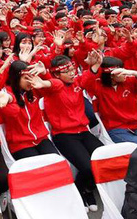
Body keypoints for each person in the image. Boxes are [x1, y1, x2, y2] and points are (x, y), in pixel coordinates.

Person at [40, 55, 103, 211]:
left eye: (72, 69)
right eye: (66, 71)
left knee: (103, 158)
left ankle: (86, 189)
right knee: (88, 167)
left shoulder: (76, 83)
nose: (71, 73)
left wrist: (95, 65)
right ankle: (81, 191)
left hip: (82, 130)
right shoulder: (52, 89)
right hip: (64, 134)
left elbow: (87, 76)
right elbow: (52, 84)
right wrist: (43, 76)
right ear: (56, 74)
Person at [0, 60, 58, 159]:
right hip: (20, 144)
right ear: (16, 78)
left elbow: (56, 88)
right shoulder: (5, 94)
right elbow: (11, 111)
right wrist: (8, 99)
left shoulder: (34, 89)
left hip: (41, 138)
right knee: (38, 170)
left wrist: (44, 75)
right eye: (26, 78)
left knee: (56, 163)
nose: (30, 81)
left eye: (32, 77)